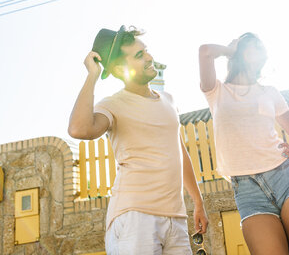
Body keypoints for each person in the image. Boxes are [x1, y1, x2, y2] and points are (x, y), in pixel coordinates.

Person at [68, 25, 208, 255]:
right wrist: (92, 76)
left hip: (176, 220)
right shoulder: (112, 104)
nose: (150, 57)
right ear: (121, 68)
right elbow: (79, 129)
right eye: (139, 55)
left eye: (146, 51)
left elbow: (180, 153)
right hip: (135, 217)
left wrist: (198, 201)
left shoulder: (169, 101)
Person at [199, 33, 289, 255]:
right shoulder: (216, 91)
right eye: (253, 45)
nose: (260, 49)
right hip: (247, 191)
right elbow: (205, 51)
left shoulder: (270, 92)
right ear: (239, 51)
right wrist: (229, 49)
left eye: (261, 47)